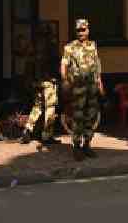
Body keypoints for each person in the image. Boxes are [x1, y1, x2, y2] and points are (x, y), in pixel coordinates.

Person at [61, 18, 103, 161]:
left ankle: (87, 144)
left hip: (91, 86)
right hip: (78, 87)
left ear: (88, 30)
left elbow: (97, 65)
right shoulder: (70, 47)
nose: (81, 32)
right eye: (78, 30)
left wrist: (100, 82)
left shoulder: (93, 46)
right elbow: (64, 65)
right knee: (78, 117)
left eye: (83, 30)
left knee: (91, 115)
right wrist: (65, 81)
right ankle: (77, 146)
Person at [20, 24, 62, 146]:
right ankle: (46, 135)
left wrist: (30, 80)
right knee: (50, 108)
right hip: (48, 81)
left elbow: (28, 64)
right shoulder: (51, 46)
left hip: (36, 82)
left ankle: (27, 130)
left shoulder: (33, 46)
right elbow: (56, 63)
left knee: (37, 107)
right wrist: (57, 78)